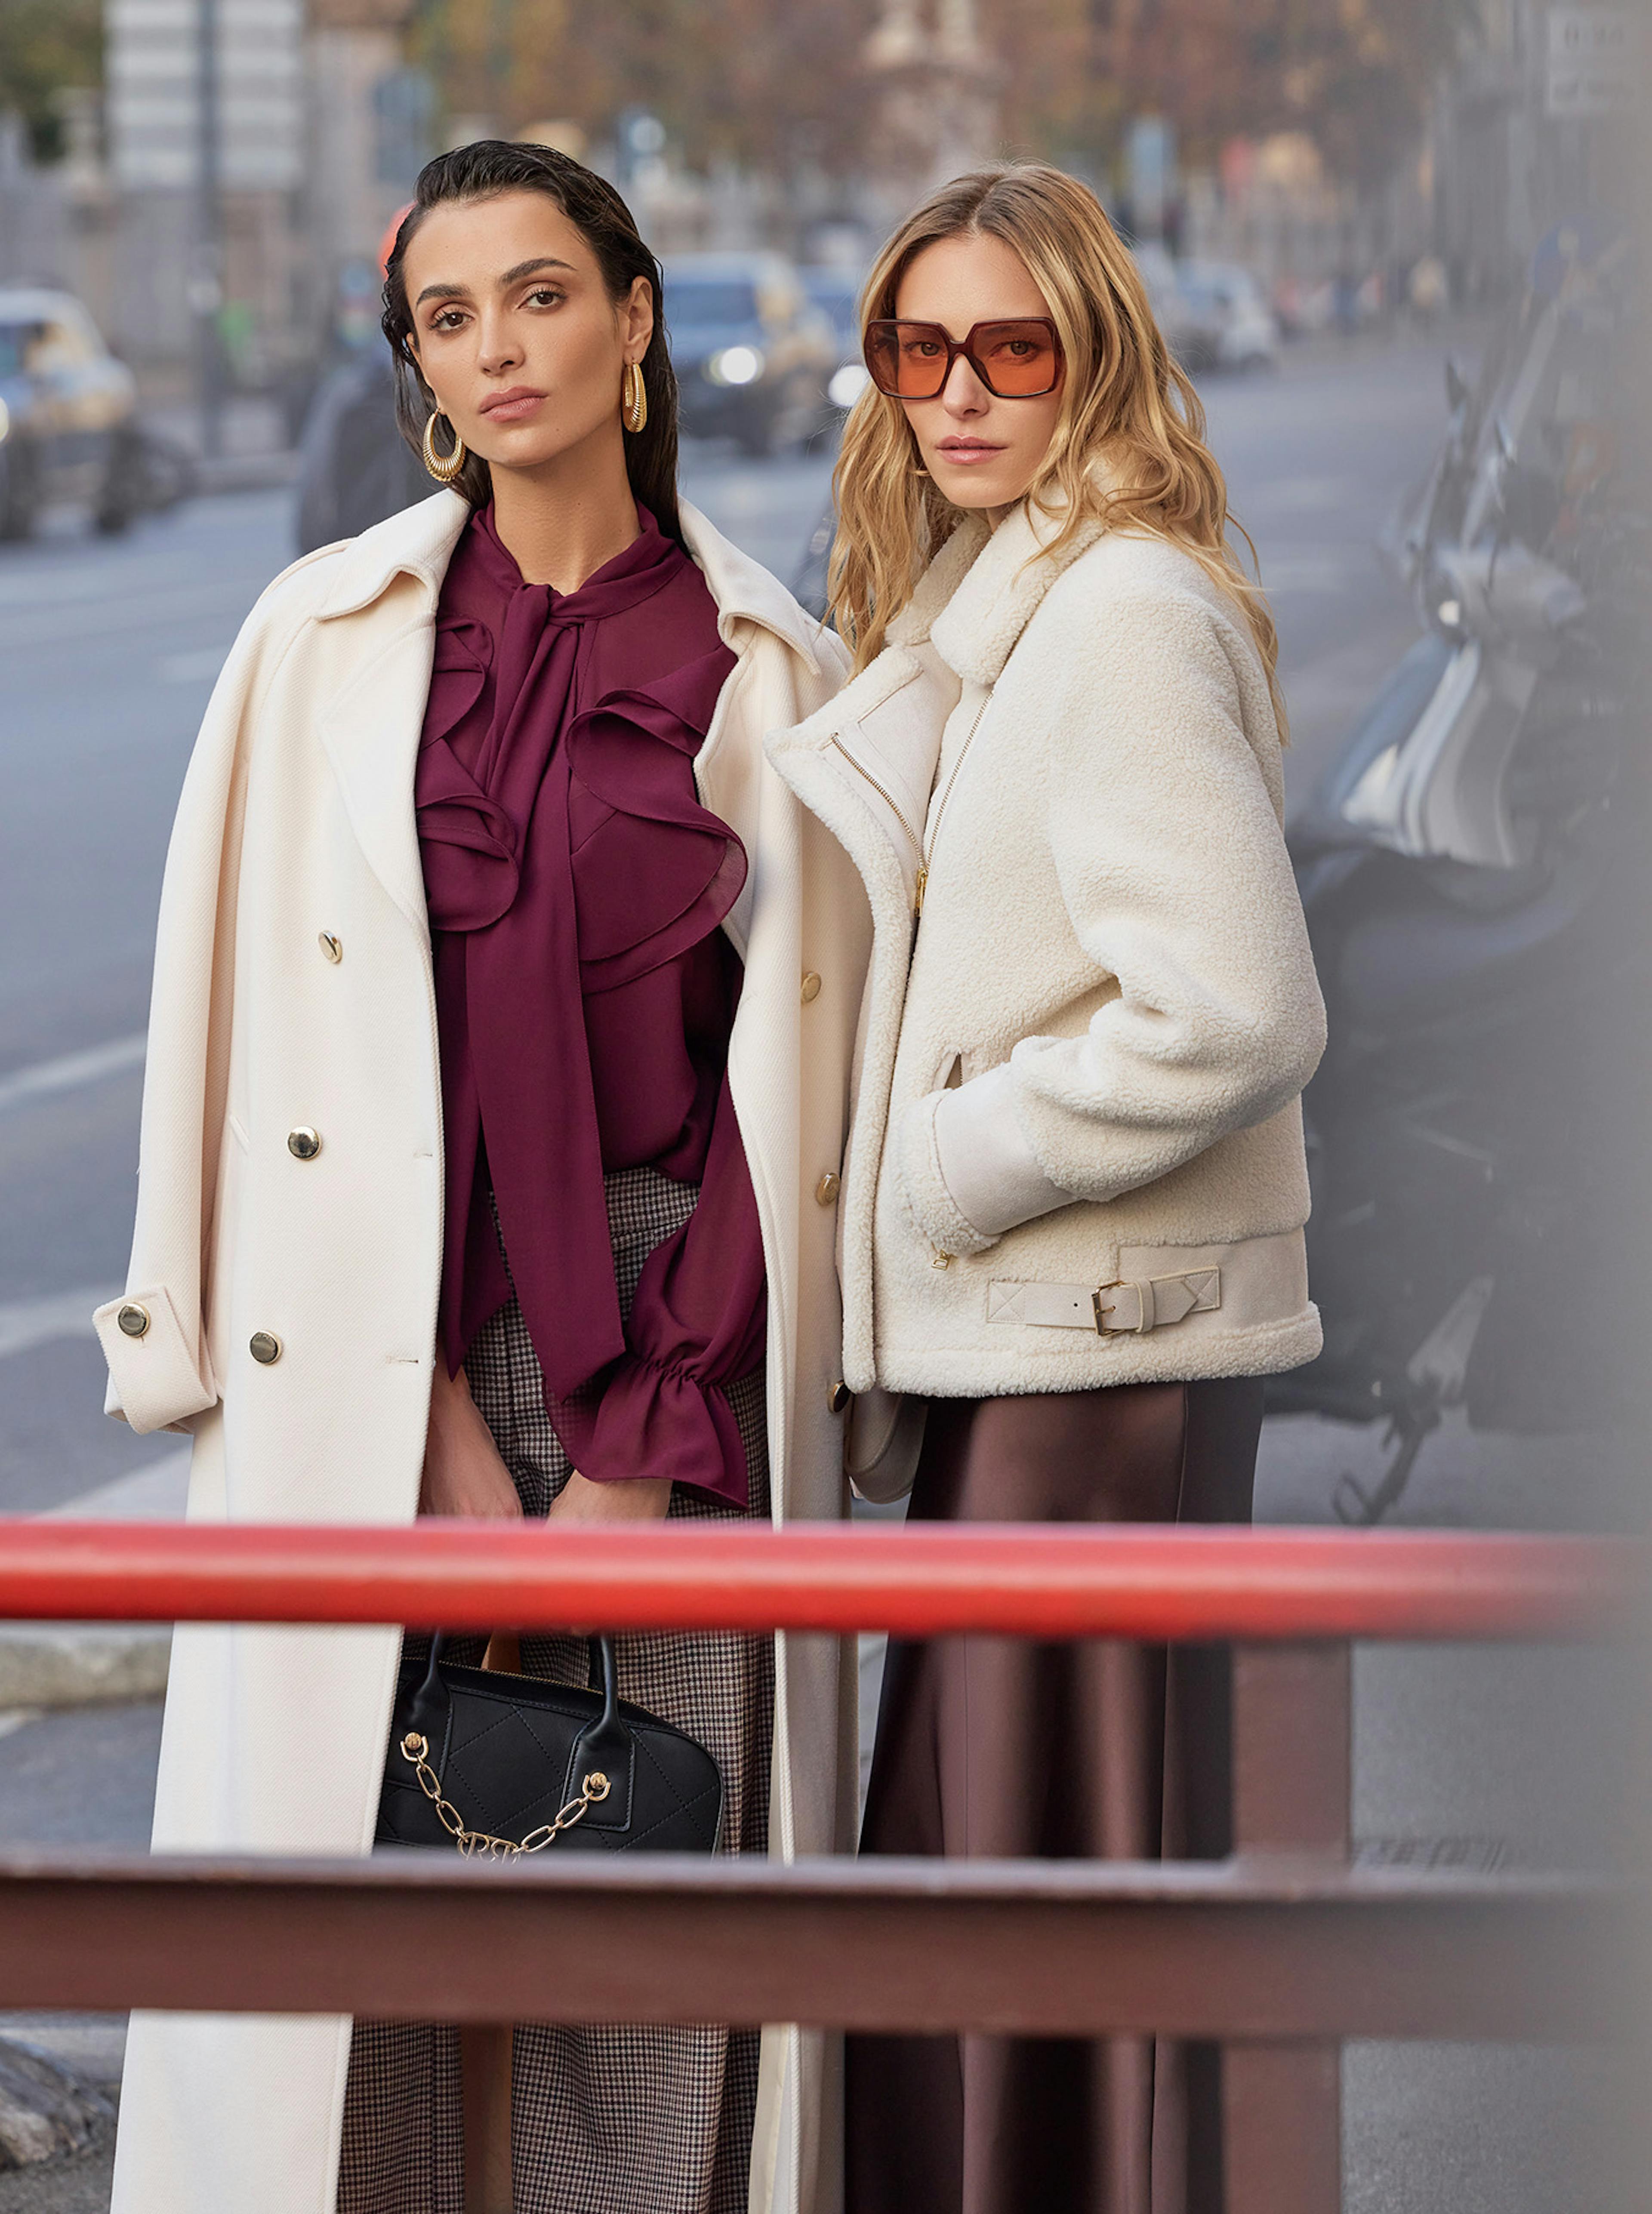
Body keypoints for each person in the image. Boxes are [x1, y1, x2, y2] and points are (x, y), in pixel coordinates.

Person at [97, 140, 869, 2214]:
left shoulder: (770, 667)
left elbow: (788, 1106)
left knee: (644, 1958)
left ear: (633, 318)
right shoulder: (322, 639)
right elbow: (234, 1024)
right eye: (451, 316)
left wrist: (639, 1444)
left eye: (541, 294)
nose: (501, 347)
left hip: (675, 1349)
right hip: (376, 1345)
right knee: (357, 1988)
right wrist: (425, 1405)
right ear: (421, 370)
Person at [765, 163, 1326, 2214]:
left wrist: (949, 1162)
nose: (959, 392)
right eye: (919, 350)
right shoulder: (1015, 605)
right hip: (1053, 1349)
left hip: (1099, 1363)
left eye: (1012, 347)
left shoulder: (1120, 617)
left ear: (1093, 354)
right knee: (1017, 1876)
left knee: (1043, 1889)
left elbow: (1240, 1008)